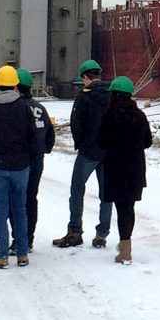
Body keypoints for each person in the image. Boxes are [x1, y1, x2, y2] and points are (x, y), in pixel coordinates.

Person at [0, 65, 36, 269]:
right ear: (15, 85)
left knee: (0, 211)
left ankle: (2, 255)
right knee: (20, 209)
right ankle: (22, 254)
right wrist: (27, 158)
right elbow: (33, 137)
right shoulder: (25, 109)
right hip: (21, 167)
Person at [52, 59, 113, 249]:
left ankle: (75, 232)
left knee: (77, 191)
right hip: (108, 152)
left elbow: (76, 123)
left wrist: (81, 143)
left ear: (86, 77)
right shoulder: (112, 95)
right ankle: (102, 235)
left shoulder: (84, 97)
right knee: (106, 194)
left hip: (88, 152)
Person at [97, 76, 153, 265]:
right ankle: (125, 245)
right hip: (135, 170)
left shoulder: (109, 115)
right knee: (128, 208)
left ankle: (125, 252)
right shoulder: (140, 115)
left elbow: (101, 141)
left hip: (115, 169)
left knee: (120, 207)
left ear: (114, 94)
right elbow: (148, 142)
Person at [9, 67, 55, 252]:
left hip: (19, 160)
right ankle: (28, 239)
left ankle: (18, 239)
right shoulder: (40, 108)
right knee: (30, 199)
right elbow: (50, 137)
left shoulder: (15, 108)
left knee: (16, 201)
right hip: (37, 160)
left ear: (15, 87)